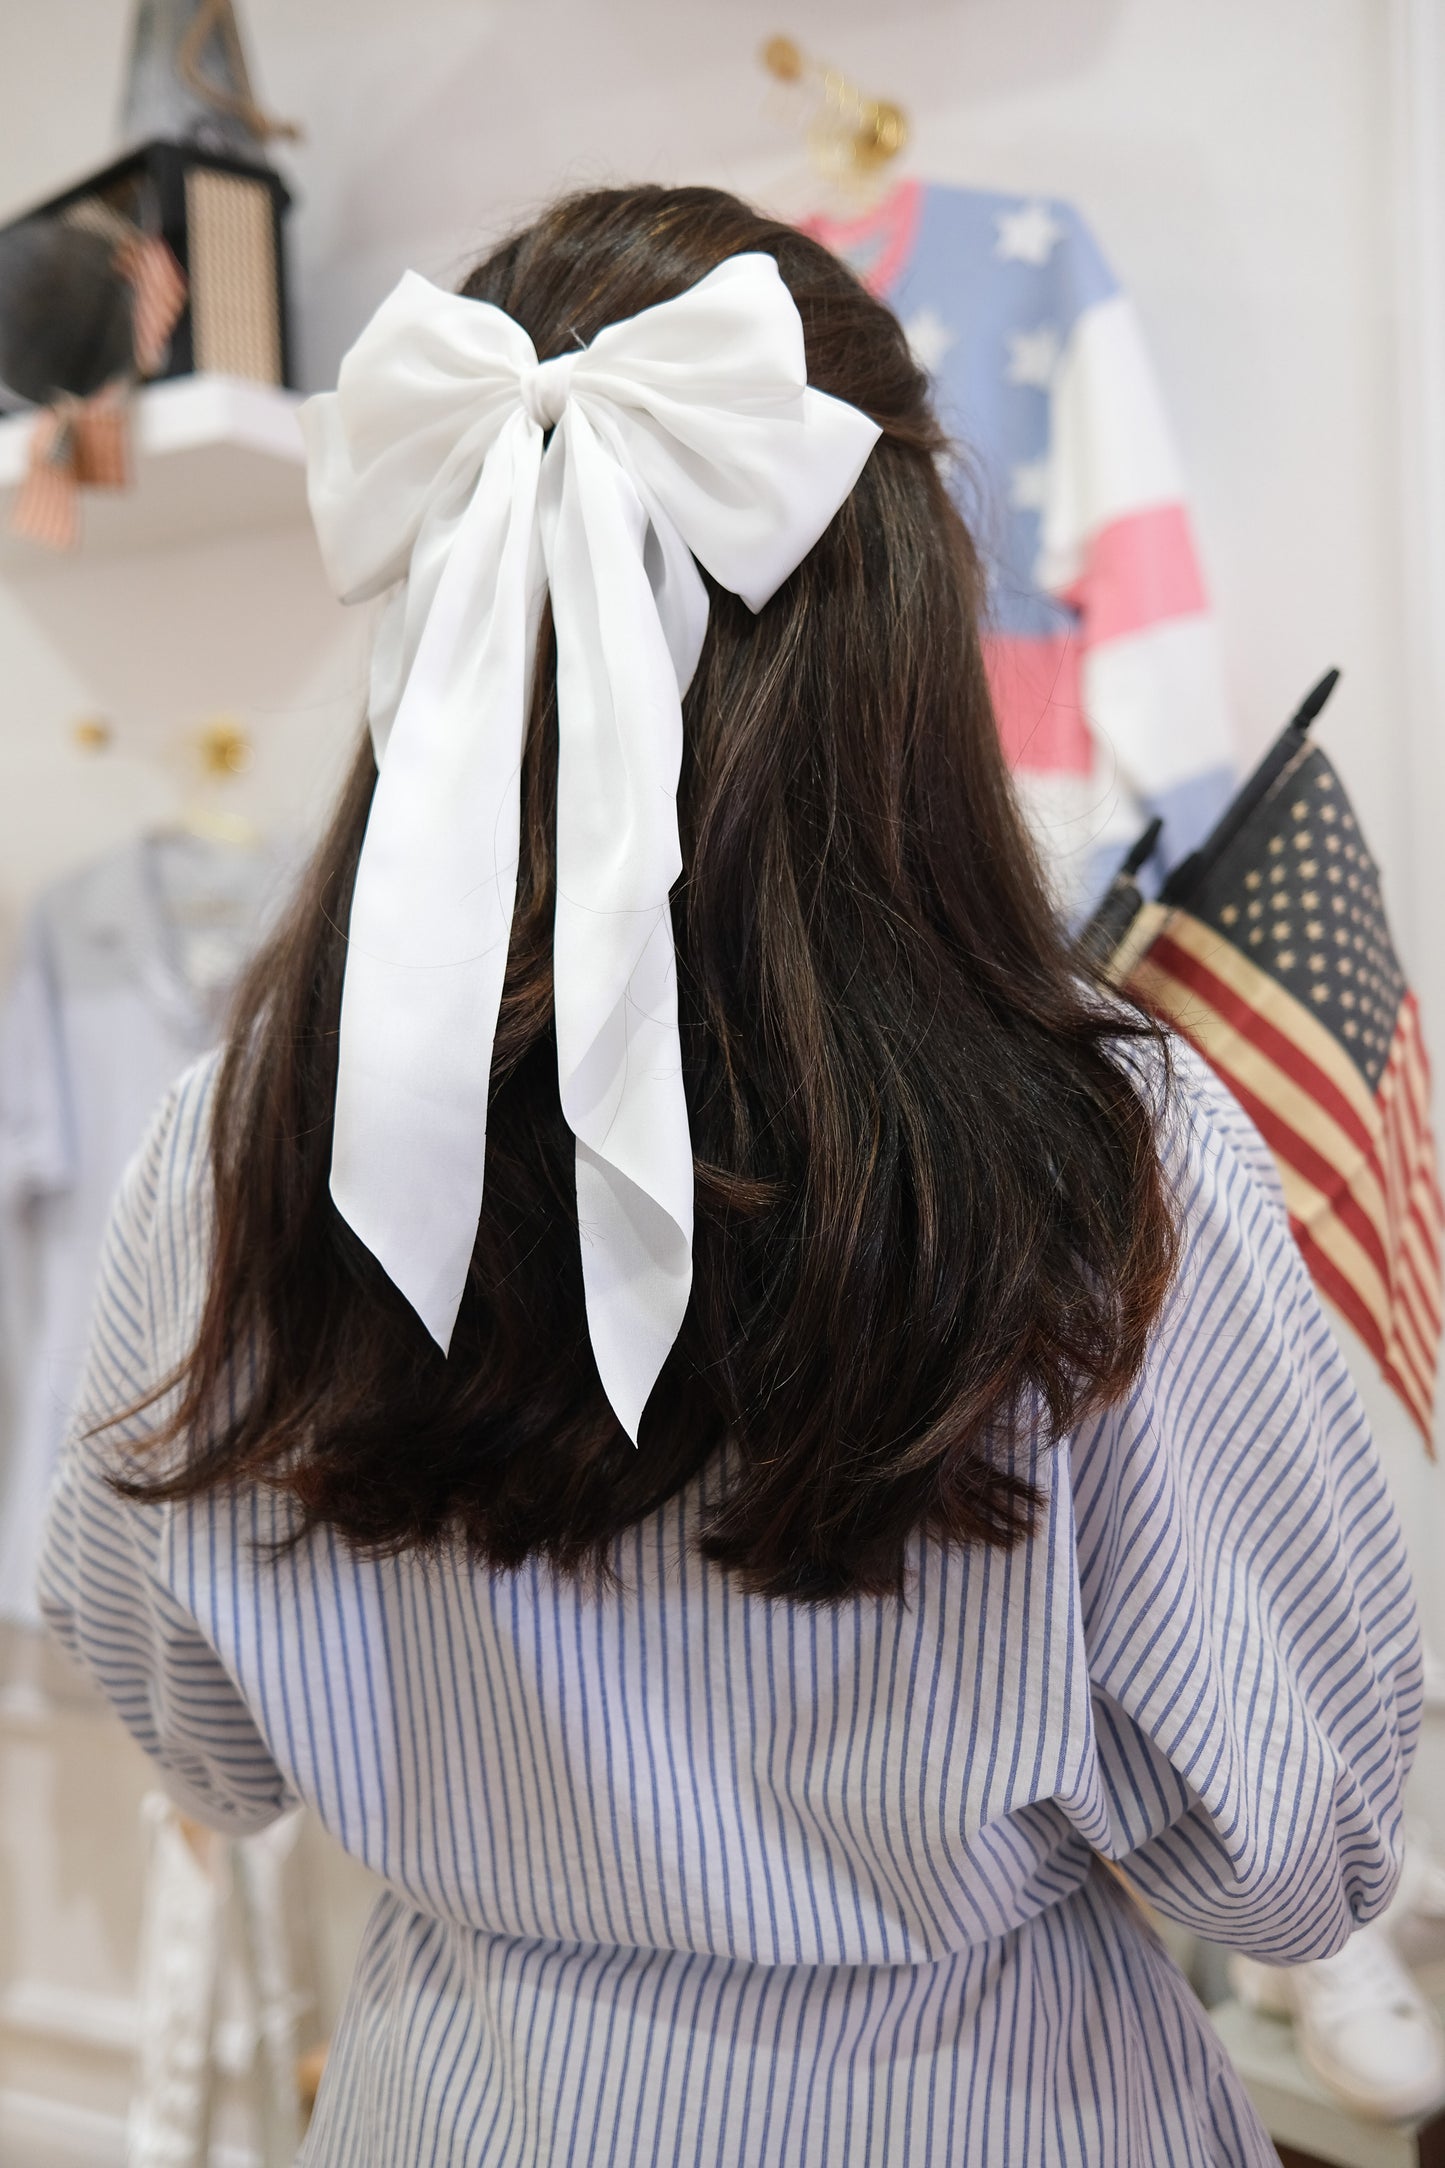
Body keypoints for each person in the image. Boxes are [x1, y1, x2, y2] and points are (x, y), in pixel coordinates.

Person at [39, 185, 1420, 2167]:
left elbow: (191, 1724)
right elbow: (1299, 1861)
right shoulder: (1098, 1159)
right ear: (906, 621)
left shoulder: (241, 1148)